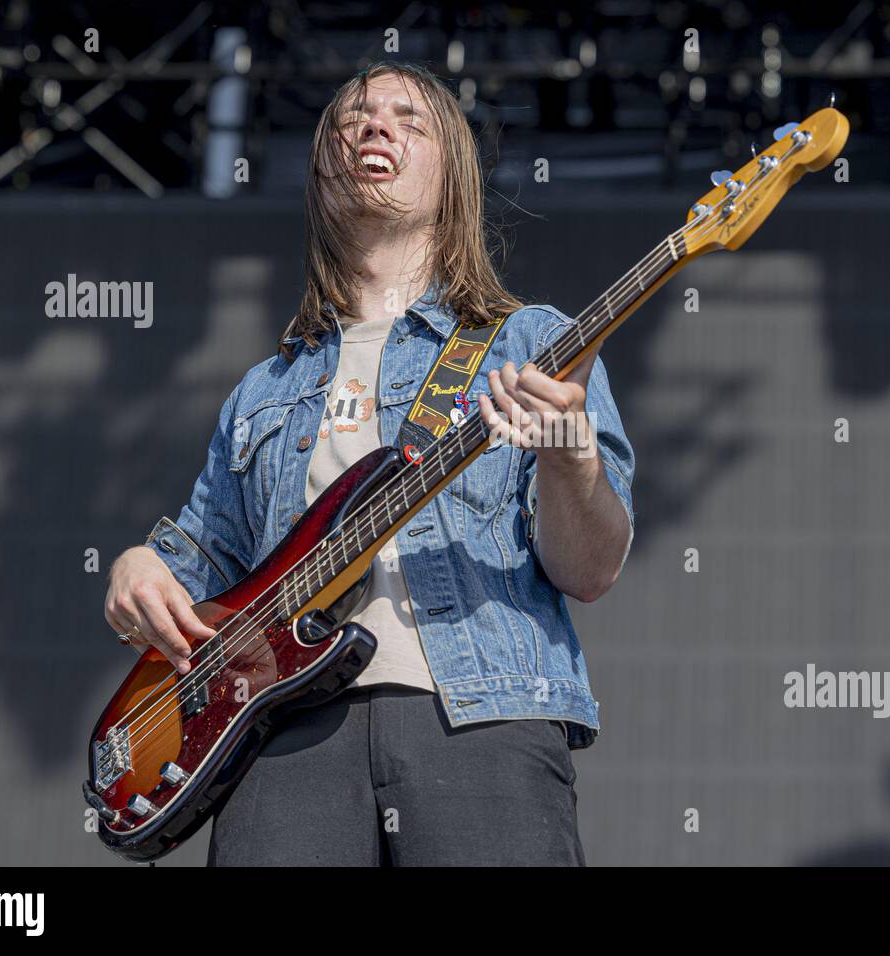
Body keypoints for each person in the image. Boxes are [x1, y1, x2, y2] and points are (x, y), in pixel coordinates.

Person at [103, 61, 635, 866]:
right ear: (322, 171)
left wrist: (569, 457)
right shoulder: (264, 390)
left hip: (479, 718)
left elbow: (590, 568)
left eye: (407, 119)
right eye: (352, 119)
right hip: (280, 739)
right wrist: (139, 566)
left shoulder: (531, 344)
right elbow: (198, 565)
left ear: (452, 177)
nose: (374, 126)